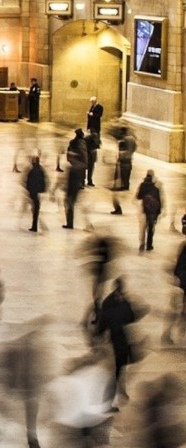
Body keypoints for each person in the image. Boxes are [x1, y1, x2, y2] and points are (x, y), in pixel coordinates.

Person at [97, 278, 141, 409]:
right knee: (116, 369)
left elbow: (131, 317)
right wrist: (101, 335)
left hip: (121, 338)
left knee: (120, 367)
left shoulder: (121, 301)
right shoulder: (110, 302)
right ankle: (110, 399)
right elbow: (105, 320)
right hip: (114, 340)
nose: (121, 293)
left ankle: (120, 391)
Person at [136, 170, 162, 251]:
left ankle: (142, 243)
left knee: (143, 228)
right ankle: (149, 245)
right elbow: (158, 200)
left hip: (145, 209)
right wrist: (158, 211)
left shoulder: (142, 185)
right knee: (151, 228)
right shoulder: (155, 187)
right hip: (153, 211)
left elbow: (138, 197)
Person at [25, 155, 48, 232]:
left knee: (35, 209)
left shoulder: (33, 171)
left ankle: (34, 226)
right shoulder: (41, 170)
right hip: (38, 192)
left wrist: (29, 190)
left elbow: (30, 181)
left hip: (34, 192)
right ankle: (34, 225)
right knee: (35, 208)